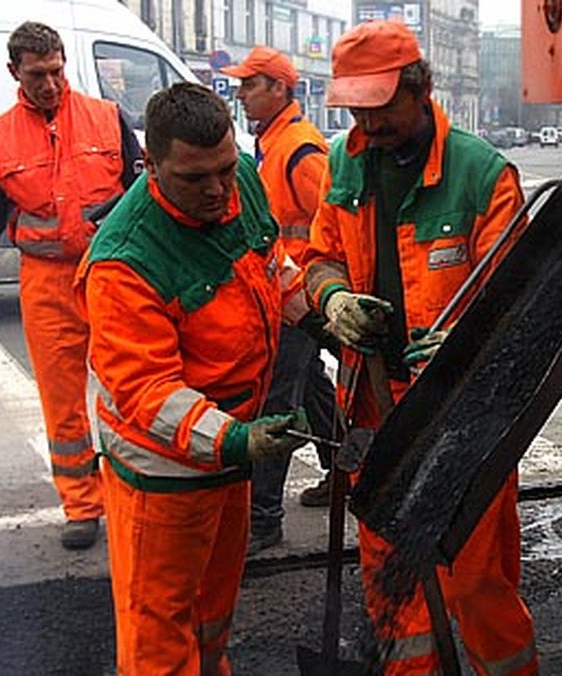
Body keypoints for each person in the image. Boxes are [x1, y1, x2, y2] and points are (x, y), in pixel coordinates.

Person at [299, 19, 538, 676]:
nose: (366, 127)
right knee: (391, 580)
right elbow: (318, 258)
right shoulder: (346, 163)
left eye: (379, 110)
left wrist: (458, 346)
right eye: (355, 111)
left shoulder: (482, 175)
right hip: (373, 408)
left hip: (460, 412)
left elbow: (508, 307)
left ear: (422, 88)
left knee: (475, 580)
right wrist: (335, 302)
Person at [75, 82, 312, 674]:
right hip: (164, 471)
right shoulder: (124, 262)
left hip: (228, 446)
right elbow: (148, 394)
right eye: (193, 177)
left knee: (211, 610)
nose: (216, 190)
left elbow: (268, 264)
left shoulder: (241, 183)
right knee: (159, 629)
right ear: (150, 165)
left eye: (225, 170)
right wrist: (240, 440)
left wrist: (322, 311)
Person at [0, 21, 143, 550]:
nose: (51, 84)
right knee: (62, 403)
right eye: (38, 75)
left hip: (108, 274)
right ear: (15, 73)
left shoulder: (106, 118)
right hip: (46, 281)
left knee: (130, 387)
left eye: (57, 71)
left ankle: (133, 493)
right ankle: (82, 505)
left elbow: (144, 192)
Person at [220, 45, 338, 554]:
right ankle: (348, 476)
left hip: (299, 297)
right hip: (286, 294)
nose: (240, 94)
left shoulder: (299, 150)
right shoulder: (274, 143)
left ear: (279, 89)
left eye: (250, 85)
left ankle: (263, 519)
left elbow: (335, 225)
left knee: (278, 401)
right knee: (311, 387)